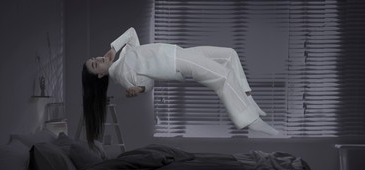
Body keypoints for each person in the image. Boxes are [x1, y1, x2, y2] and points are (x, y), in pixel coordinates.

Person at [82, 27, 279, 146]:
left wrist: (114, 48)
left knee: (229, 55)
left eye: (94, 58)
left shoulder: (123, 57)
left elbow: (132, 33)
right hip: (176, 64)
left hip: (179, 53)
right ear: (100, 75)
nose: (98, 59)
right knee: (222, 77)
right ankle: (250, 121)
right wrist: (139, 89)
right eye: (95, 64)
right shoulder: (121, 74)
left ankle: (249, 101)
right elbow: (148, 82)